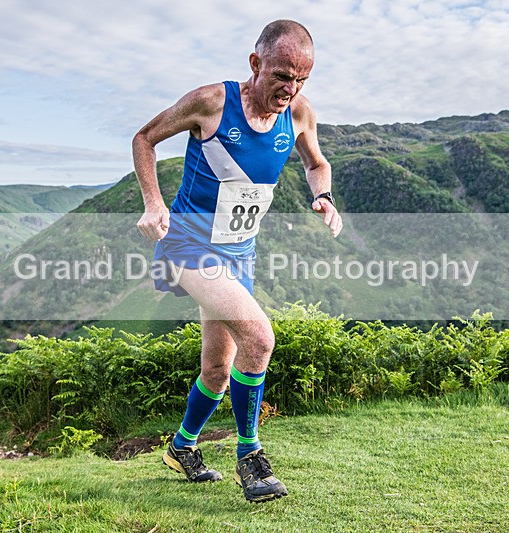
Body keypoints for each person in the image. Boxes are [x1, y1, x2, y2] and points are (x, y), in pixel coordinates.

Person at [132, 19, 342, 503]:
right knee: (259, 335)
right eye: (282, 76)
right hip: (186, 245)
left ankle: (182, 447)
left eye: (301, 80)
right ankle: (250, 456)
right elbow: (144, 138)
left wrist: (324, 196)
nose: (290, 89)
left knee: (218, 369)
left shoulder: (300, 113)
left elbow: (316, 164)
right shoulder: (212, 102)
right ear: (255, 64)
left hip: (240, 252)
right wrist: (153, 202)